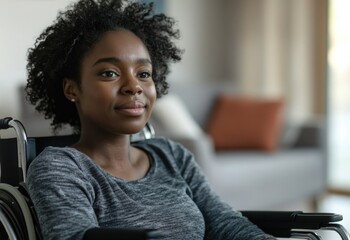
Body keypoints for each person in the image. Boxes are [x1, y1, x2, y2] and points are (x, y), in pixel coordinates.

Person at [25, 0, 275, 239]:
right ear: (72, 89)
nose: (134, 86)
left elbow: (223, 222)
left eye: (143, 73)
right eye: (109, 73)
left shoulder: (172, 156)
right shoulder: (61, 168)